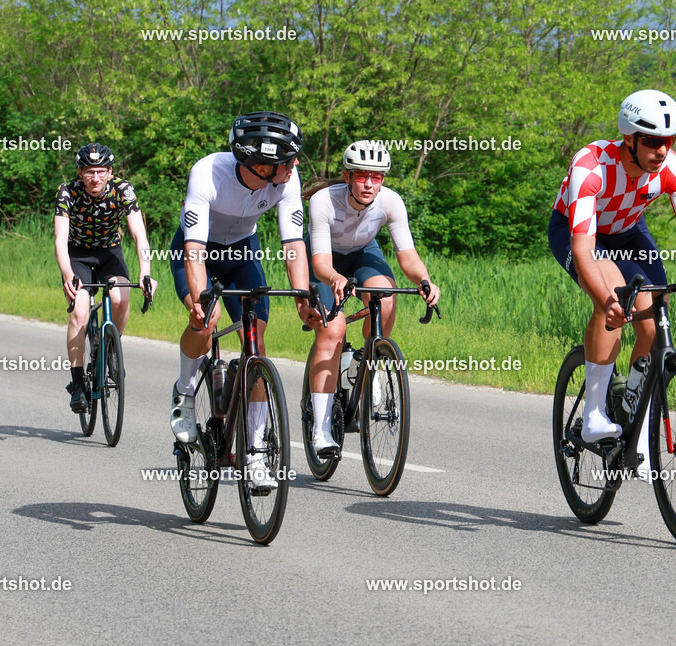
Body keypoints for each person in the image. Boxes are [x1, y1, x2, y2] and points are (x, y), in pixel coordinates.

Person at [548, 90, 676, 478]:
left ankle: (635, 414)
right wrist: (605, 298)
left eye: (669, 141)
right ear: (630, 138)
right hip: (580, 234)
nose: (662, 150)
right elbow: (584, 249)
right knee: (616, 299)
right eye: (652, 140)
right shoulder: (592, 166)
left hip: (629, 232)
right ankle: (595, 413)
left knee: (654, 324)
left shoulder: (674, 169)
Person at [169, 111, 319, 491]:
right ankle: (184, 394)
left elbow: (293, 243)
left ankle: (253, 454)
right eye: (287, 159)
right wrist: (199, 300)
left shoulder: (286, 179)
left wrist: (303, 297)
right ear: (261, 164)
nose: (295, 164)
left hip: (241, 254)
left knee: (257, 345)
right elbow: (194, 247)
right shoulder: (207, 172)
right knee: (206, 323)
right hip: (198, 251)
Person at [305, 140, 440, 455]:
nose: (368, 183)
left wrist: (425, 280)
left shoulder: (391, 202)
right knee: (332, 330)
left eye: (376, 177)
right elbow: (322, 263)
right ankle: (322, 430)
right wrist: (337, 278)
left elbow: (407, 256)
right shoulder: (324, 201)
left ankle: (371, 363)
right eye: (362, 175)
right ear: (347, 176)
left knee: (386, 296)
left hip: (363, 253)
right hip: (327, 261)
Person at [55, 143, 157, 413]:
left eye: (101, 171)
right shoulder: (68, 192)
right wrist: (68, 275)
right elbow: (60, 240)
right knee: (79, 312)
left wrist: (145, 272)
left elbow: (139, 235)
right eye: (89, 172)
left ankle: (112, 347)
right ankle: (77, 384)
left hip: (110, 252)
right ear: (80, 172)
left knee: (121, 297)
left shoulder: (122, 189)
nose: (95, 178)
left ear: (110, 172)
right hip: (78, 256)